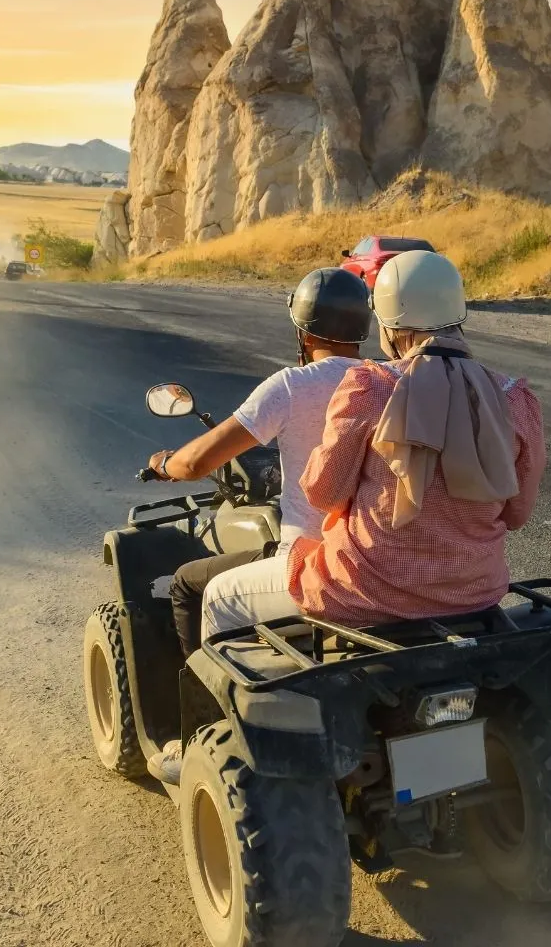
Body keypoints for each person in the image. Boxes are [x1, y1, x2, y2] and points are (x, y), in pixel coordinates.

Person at [197, 249, 545, 644]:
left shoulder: (370, 387)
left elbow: (324, 493)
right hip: (473, 595)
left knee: (218, 598)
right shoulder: (516, 400)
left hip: (360, 591)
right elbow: (516, 513)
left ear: (390, 323)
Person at [142, 268, 371, 782]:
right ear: (364, 328)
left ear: (303, 331)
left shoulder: (292, 386)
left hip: (312, 563)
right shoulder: (386, 379)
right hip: (377, 557)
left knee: (189, 586)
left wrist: (165, 464)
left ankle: (204, 741)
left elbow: (199, 461)